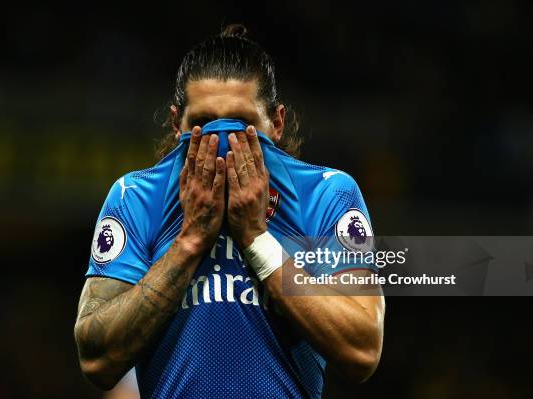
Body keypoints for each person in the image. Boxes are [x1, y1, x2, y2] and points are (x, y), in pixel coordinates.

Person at [74, 24, 384, 399]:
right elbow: (95, 360)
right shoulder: (136, 197)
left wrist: (257, 240)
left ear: (278, 122)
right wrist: (189, 242)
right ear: (177, 125)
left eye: (243, 124)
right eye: (201, 125)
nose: (221, 141)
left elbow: (363, 350)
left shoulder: (327, 195)